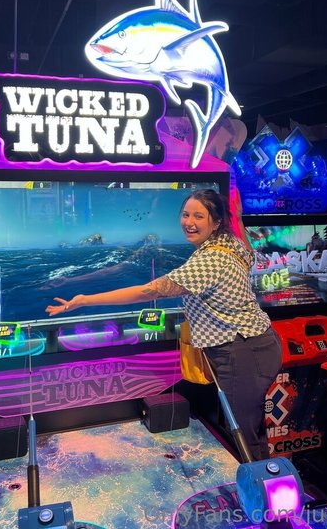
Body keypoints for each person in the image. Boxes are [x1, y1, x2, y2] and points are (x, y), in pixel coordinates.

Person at [46, 188, 282, 461]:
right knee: (251, 426)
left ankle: (258, 484)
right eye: (185, 215)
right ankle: (267, 477)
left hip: (242, 351)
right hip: (258, 344)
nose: (189, 222)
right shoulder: (229, 243)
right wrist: (238, 219)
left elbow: (149, 291)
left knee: (242, 433)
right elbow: (250, 254)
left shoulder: (210, 259)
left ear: (216, 222)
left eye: (199, 217)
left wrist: (84, 300)